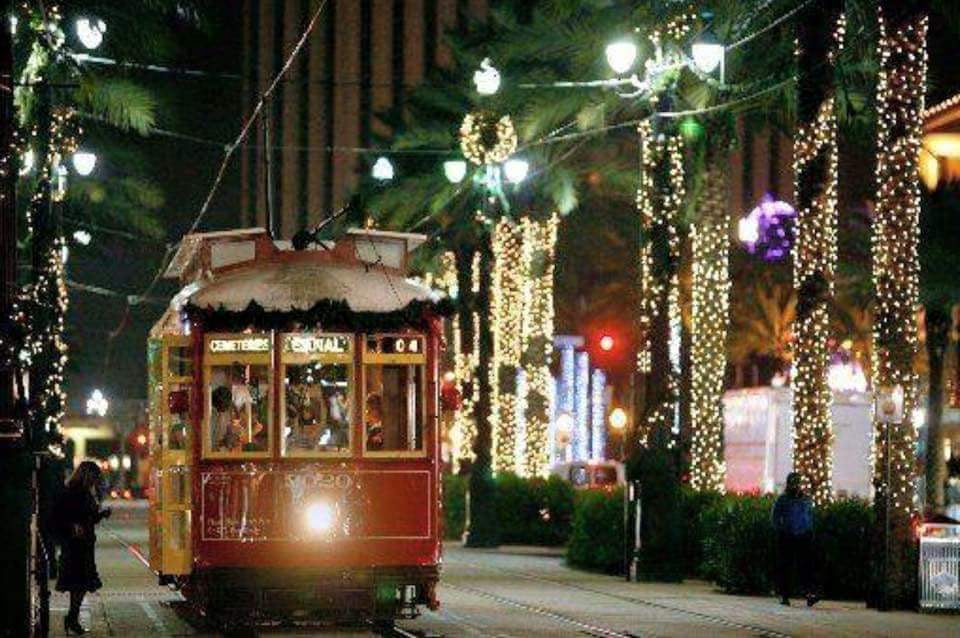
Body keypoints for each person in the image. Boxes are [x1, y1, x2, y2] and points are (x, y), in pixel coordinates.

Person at [54, 461, 111, 635]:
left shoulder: (84, 492)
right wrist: (73, 526)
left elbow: (88, 518)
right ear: (87, 475)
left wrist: (101, 515)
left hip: (84, 544)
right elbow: (61, 516)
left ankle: (72, 618)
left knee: (80, 584)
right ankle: (72, 619)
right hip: (75, 546)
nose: (96, 480)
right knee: (79, 583)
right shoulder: (73, 492)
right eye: (94, 476)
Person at [771, 472, 818, 607]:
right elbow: (775, 517)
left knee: (806, 566)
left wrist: (809, 530)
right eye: (793, 483)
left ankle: (809, 594)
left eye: (798, 483)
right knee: (786, 566)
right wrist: (781, 530)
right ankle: (784, 595)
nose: (796, 486)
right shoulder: (783, 500)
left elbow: (809, 516)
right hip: (787, 536)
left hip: (804, 536)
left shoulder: (805, 499)